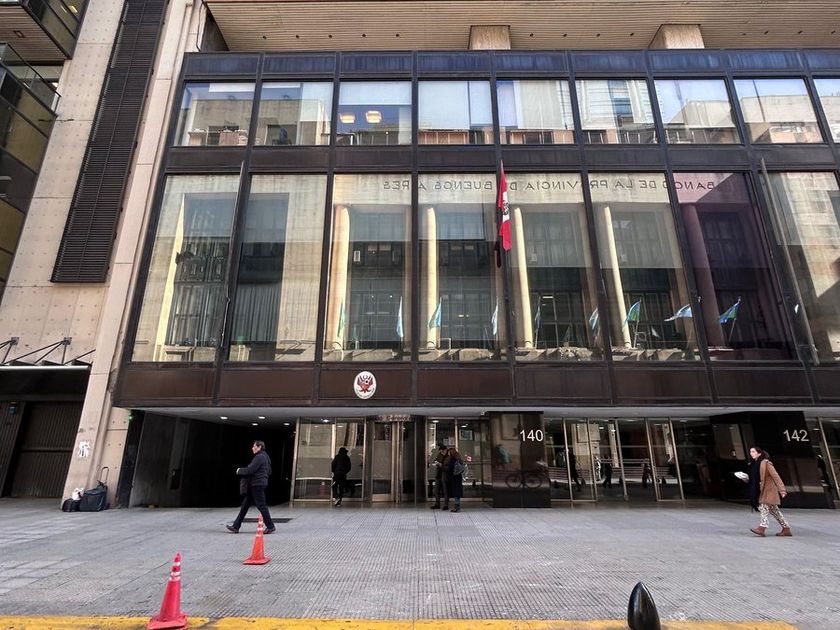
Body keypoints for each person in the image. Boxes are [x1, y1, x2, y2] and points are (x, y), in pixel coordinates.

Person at [226, 440, 276, 534]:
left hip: (257, 484)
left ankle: (270, 526)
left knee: (261, 506)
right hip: (258, 483)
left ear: (259, 447)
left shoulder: (259, 457)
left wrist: (239, 470)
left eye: (254, 446)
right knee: (245, 506)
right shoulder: (266, 456)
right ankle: (236, 526)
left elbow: (250, 470)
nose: (252, 448)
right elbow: (269, 471)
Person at [745, 446, 792, 537]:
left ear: (759, 453)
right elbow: (754, 479)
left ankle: (762, 528)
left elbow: (776, 476)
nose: (751, 453)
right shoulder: (753, 464)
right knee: (775, 511)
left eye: (753, 451)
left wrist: (782, 490)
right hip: (760, 490)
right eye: (750, 452)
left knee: (763, 507)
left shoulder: (766, 463)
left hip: (768, 490)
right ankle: (786, 529)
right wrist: (745, 478)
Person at [444, 446, 465, 512]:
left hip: (454, 478)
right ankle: (457, 506)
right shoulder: (459, 458)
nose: (448, 454)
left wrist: (443, 467)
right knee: (457, 493)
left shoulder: (453, 459)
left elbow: (450, 469)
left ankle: (457, 507)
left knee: (456, 493)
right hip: (458, 477)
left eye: (449, 452)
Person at [429, 443, 449, 509]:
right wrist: (436, 463)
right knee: (437, 490)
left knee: (445, 491)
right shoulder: (439, 455)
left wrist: (441, 465)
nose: (442, 452)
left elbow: (448, 468)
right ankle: (437, 504)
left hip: (445, 476)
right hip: (438, 475)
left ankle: (446, 505)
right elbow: (435, 460)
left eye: (443, 451)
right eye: (440, 451)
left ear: (446, 450)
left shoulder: (449, 457)